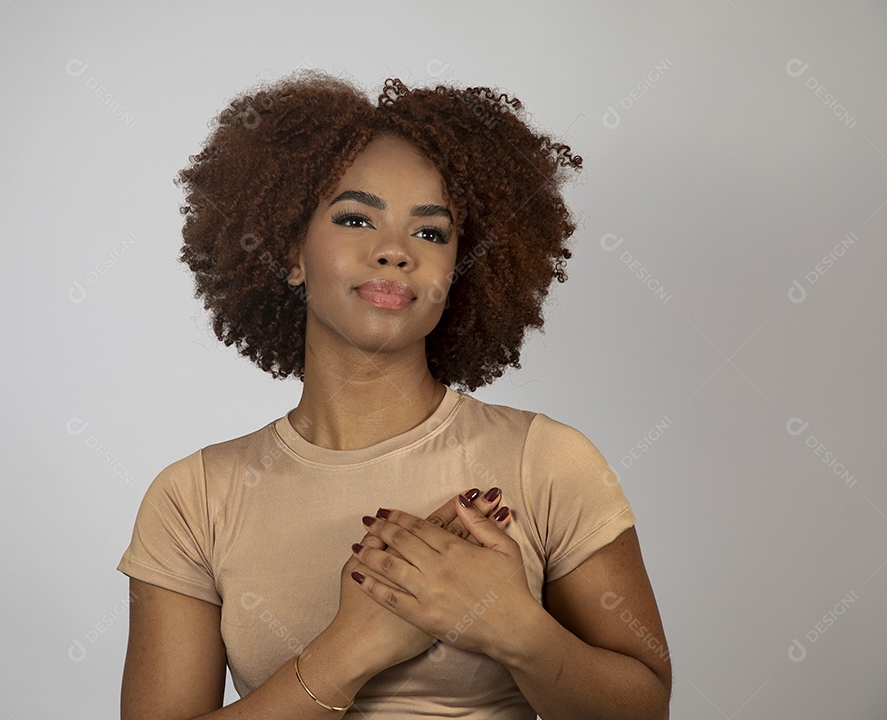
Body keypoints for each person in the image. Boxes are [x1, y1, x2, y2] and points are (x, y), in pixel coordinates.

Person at [117, 70, 671, 719]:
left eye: (430, 232)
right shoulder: (194, 499)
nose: (394, 252)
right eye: (356, 218)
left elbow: (644, 708)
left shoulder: (547, 462)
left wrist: (512, 627)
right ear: (290, 251)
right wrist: (355, 647)